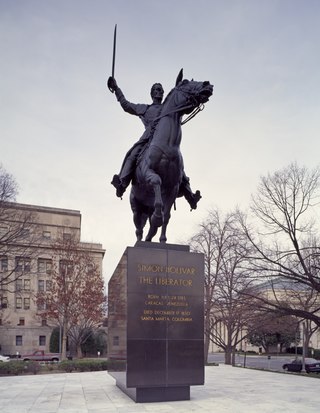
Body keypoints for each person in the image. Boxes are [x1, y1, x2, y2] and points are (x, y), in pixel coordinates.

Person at [107, 77, 201, 209]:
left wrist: (196, 99)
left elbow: (185, 108)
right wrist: (116, 89)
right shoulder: (145, 109)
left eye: (161, 90)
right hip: (148, 140)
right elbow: (126, 105)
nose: (159, 92)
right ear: (152, 94)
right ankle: (122, 184)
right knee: (132, 155)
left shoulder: (170, 107)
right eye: (156, 90)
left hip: (166, 142)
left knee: (178, 164)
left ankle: (190, 196)